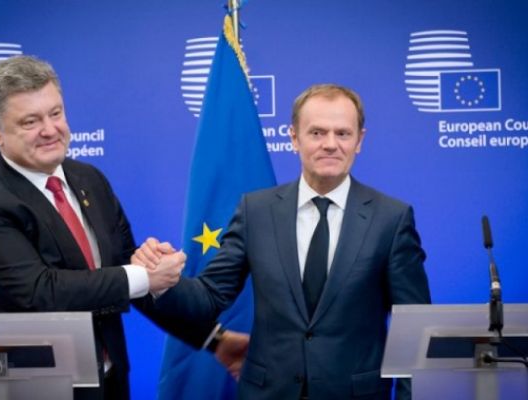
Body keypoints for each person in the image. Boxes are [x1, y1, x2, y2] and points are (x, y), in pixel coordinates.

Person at [0, 55, 233, 400]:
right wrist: (143, 276)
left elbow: (123, 272)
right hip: (31, 390)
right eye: (30, 121)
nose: (50, 130)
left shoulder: (88, 179)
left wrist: (215, 340)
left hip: (107, 382)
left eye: (55, 113)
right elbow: (40, 293)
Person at [138, 84, 431, 399]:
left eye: (343, 134)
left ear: (359, 140)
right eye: (317, 133)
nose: (330, 144)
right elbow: (210, 295)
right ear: (294, 138)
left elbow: (413, 327)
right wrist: (163, 281)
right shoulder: (256, 211)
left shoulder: (391, 219)